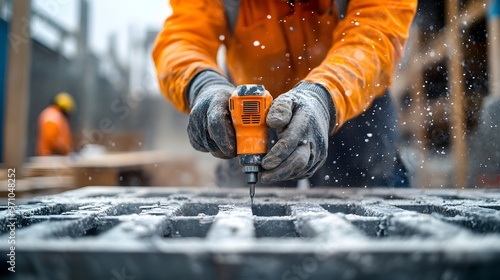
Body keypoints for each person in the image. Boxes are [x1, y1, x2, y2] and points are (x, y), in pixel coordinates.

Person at [153, 0, 417, 188]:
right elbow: (183, 38)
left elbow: (376, 35)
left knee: (365, 201)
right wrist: (201, 83)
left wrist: (325, 97)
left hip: (351, 102)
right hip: (250, 113)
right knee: (247, 211)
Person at [36, 92, 75, 156]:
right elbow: (51, 137)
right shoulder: (54, 116)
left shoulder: (50, 113)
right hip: (51, 158)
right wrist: (62, 149)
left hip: (49, 157)